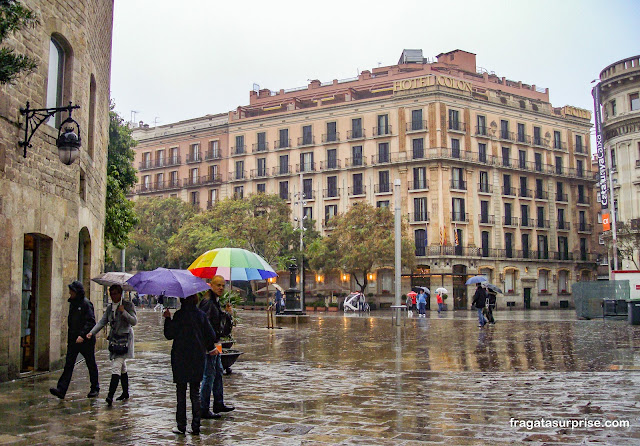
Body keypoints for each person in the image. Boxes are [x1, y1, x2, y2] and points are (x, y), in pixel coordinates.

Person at [163, 294, 217, 435]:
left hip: (180, 357)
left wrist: (168, 319)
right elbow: (210, 335)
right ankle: (196, 426)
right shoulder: (201, 315)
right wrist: (209, 346)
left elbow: (169, 334)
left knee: (181, 392)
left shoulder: (179, 315)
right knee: (195, 392)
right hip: (197, 358)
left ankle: (181, 426)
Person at [86, 284, 137, 406]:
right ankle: (125, 393)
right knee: (122, 367)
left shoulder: (128, 305)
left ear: (120, 294)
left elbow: (134, 321)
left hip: (124, 341)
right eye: (111, 294)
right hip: (115, 341)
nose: (113, 296)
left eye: (115, 293)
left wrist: (123, 311)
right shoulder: (110, 308)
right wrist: (91, 333)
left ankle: (110, 396)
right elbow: (102, 322)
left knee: (116, 366)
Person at [50, 281, 100, 399]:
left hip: (85, 340)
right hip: (73, 340)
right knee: (69, 364)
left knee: (90, 363)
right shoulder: (73, 304)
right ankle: (61, 389)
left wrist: (82, 335)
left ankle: (95, 388)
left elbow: (91, 321)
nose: (70, 293)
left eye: (72, 291)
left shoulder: (86, 304)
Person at [198, 275, 235, 419]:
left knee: (218, 371)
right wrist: (209, 346)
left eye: (222, 285)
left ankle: (218, 403)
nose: (220, 288)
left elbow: (221, 326)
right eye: (218, 285)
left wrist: (227, 315)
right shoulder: (208, 303)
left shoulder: (215, 302)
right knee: (209, 375)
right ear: (211, 285)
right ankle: (203, 408)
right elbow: (205, 326)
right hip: (209, 345)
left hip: (215, 343)